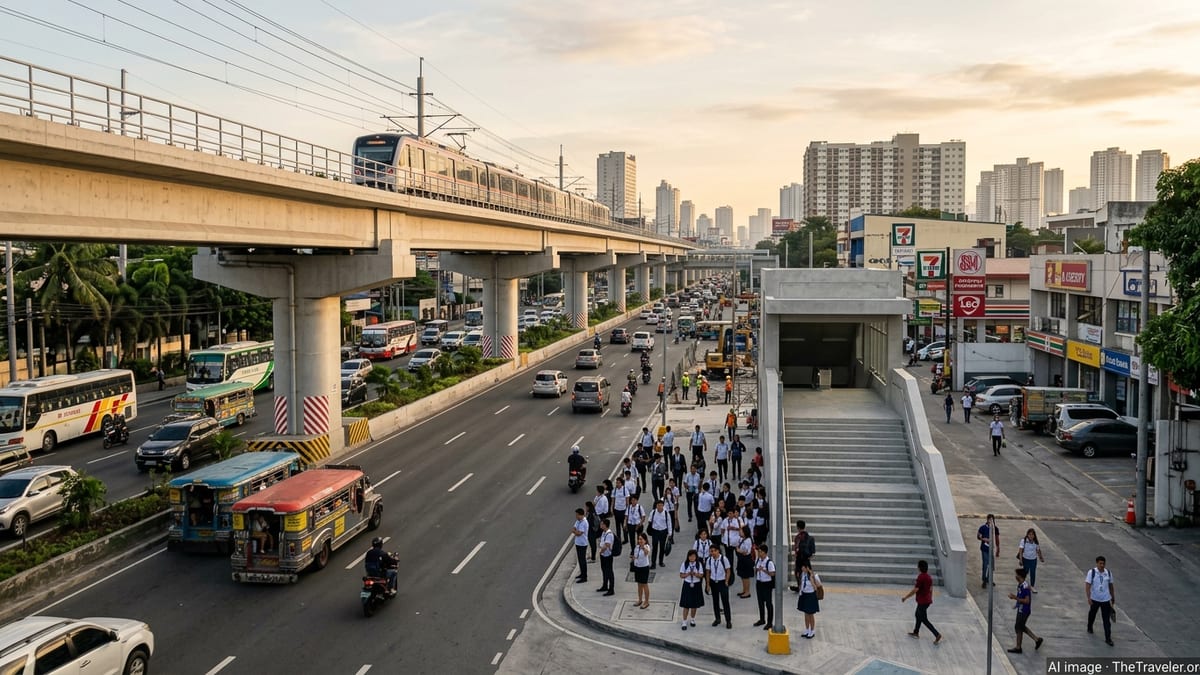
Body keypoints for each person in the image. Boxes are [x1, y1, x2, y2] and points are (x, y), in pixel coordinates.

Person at [902, 560, 943, 644]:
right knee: (918, 615)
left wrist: (906, 597)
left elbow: (915, 590)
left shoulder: (921, 577)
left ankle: (937, 634)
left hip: (922, 601)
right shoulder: (929, 577)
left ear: (919, 568)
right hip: (926, 601)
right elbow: (931, 589)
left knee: (924, 619)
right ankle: (916, 632)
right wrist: (930, 598)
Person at [1007, 567, 1043, 653]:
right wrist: (1017, 605)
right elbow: (1020, 596)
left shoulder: (1025, 587)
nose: (1015, 576)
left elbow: (1027, 601)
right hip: (1020, 609)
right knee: (1019, 627)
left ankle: (1035, 640)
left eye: (1016, 575)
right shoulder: (1020, 585)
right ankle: (1020, 646)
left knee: (1020, 627)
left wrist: (1015, 598)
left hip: (1024, 611)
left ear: (1020, 576)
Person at [1085, 555, 1115, 646]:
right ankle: (1090, 626)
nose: (1102, 565)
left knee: (1106, 620)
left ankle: (1108, 638)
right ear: (1097, 563)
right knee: (1092, 614)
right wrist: (1089, 597)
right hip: (1095, 599)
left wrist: (1113, 597)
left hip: (1105, 600)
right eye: (1100, 563)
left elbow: (1111, 586)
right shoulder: (1092, 572)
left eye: (1103, 563)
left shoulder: (1108, 573)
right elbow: (1088, 585)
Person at [705, 543, 733, 629]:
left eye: (714, 551)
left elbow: (728, 570)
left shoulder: (723, 559)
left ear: (718, 551)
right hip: (714, 582)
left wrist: (726, 581)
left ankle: (728, 621)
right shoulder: (709, 560)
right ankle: (717, 618)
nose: (712, 553)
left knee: (725, 602)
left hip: (722, 582)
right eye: (711, 551)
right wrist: (708, 584)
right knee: (715, 601)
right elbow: (708, 572)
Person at [678, 549, 706, 630]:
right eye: (690, 556)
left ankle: (692, 619)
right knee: (686, 604)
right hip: (687, 584)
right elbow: (681, 575)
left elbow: (701, 575)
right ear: (688, 557)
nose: (692, 558)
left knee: (694, 604)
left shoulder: (699, 564)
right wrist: (688, 574)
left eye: (693, 556)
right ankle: (684, 621)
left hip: (696, 585)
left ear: (696, 557)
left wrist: (695, 574)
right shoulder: (685, 564)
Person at [754, 544, 777, 630]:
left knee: (768, 603)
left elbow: (773, 573)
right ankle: (762, 619)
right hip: (759, 583)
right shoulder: (758, 560)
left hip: (766, 584)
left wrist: (764, 570)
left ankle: (769, 622)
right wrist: (757, 570)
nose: (759, 553)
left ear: (764, 552)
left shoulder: (769, 562)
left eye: (760, 552)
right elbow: (755, 569)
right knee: (760, 602)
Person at [796, 561, 821, 638]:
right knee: (806, 613)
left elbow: (817, 587)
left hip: (811, 595)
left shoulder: (813, 576)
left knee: (810, 614)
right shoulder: (802, 575)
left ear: (807, 568)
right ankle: (807, 629)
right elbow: (801, 584)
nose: (802, 568)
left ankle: (812, 630)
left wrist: (812, 579)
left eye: (803, 567)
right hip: (804, 595)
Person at [791, 519, 817, 591]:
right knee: (809, 573)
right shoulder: (811, 538)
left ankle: (800, 587)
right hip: (806, 559)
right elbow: (813, 552)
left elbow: (796, 549)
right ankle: (812, 587)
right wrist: (808, 558)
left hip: (799, 559)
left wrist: (796, 555)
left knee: (798, 573)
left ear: (798, 528)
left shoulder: (797, 538)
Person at [631, 532, 652, 609]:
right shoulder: (636, 547)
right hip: (637, 567)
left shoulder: (647, 547)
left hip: (644, 568)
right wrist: (633, 558)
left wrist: (643, 547)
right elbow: (636, 556)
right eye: (639, 539)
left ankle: (646, 601)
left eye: (641, 539)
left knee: (644, 584)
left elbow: (647, 553)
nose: (639, 541)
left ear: (645, 540)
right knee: (639, 584)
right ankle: (640, 600)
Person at [978, 514, 999, 588]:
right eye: (989, 520)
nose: (991, 521)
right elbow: (979, 536)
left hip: (991, 549)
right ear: (987, 520)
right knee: (985, 564)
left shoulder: (995, 529)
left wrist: (998, 548)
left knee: (991, 565)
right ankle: (984, 579)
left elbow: (997, 538)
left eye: (992, 520)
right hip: (985, 549)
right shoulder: (983, 528)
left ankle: (989, 579)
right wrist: (984, 539)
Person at [596, 518, 615, 596]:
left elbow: (607, 545)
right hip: (603, 555)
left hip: (607, 555)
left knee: (609, 572)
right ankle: (605, 585)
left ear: (605, 525)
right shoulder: (603, 533)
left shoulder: (609, 534)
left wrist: (601, 551)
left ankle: (611, 589)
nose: (600, 525)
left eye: (602, 524)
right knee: (604, 570)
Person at [736, 525, 755, 599]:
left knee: (746, 576)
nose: (740, 532)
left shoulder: (748, 540)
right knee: (742, 576)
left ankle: (747, 592)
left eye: (741, 531)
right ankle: (744, 590)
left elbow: (747, 551)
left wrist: (739, 550)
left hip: (746, 560)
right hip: (741, 560)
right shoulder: (742, 539)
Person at [572, 508, 590, 583]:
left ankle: (584, 576)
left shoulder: (584, 522)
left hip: (582, 543)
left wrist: (575, 532)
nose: (576, 516)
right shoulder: (578, 521)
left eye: (577, 515)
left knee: (582, 560)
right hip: (578, 543)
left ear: (580, 515)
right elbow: (573, 529)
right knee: (580, 560)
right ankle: (582, 573)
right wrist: (576, 531)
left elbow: (579, 533)